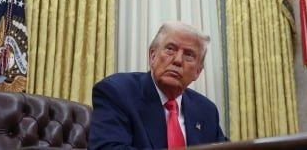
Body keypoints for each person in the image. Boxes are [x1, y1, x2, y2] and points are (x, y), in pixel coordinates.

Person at [89, 21, 227, 150]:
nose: (178, 60)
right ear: (152, 56)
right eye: (170, 49)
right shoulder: (117, 92)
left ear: (197, 72)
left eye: (189, 55)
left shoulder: (206, 110)